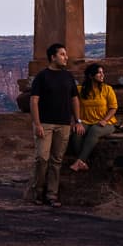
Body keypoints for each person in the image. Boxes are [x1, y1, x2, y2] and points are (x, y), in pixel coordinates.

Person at [29, 42, 84, 207]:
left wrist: (77, 120)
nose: (66, 57)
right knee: (42, 158)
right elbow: (34, 100)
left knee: (56, 161)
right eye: (62, 54)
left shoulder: (68, 77)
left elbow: (74, 99)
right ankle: (37, 192)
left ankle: (52, 195)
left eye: (66, 54)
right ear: (53, 57)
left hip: (64, 124)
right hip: (45, 123)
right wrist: (37, 124)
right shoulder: (42, 76)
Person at [69, 62, 118, 172]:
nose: (102, 75)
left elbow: (113, 108)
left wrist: (104, 120)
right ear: (91, 76)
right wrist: (76, 121)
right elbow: (73, 106)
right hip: (85, 121)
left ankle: (79, 161)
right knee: (77, 133)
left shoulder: (107, 89)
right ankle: (83, 161)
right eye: (99, 73)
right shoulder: (80, 90)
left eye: (102, 73)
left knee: (95, 130)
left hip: (106, 122)